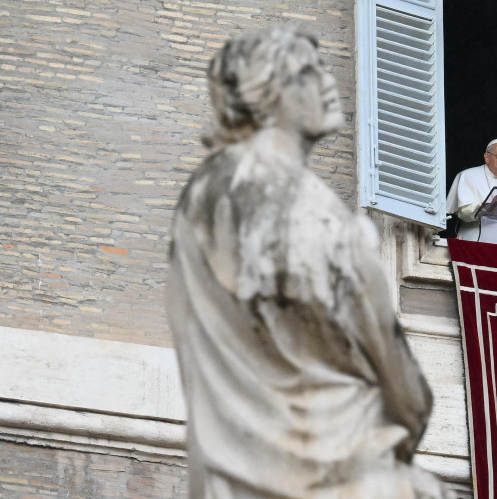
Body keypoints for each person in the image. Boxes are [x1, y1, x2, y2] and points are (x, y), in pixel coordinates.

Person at [166, 27, 447, 499]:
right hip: (339, 469)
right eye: (308, 71)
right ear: (266, 94)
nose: (328, 81)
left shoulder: (198, 199)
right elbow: (403, 387)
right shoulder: (313, 212)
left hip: (229, 469)